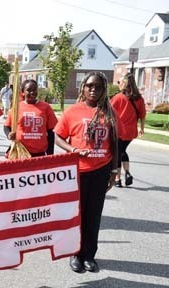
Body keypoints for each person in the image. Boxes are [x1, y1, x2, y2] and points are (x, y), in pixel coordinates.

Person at [54, 71, 119, 273]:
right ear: (83, 88)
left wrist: (114, 170)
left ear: (103, 90)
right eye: (89, 85)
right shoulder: (72, 112)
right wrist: (72, 150)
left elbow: (116, 143)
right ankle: (76, 254)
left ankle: (89, 255)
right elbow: (57, 137)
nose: (93, 89)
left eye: (98, 86)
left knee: (94, 215)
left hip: (101, 171)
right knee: (78, 215)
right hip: (78, 172)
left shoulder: (109, 112)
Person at [4, 79, 57, 157]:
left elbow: (51, 131)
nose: (32, 92)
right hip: (21, 151)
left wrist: (50, 153)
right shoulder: (16, 107)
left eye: (34, 90)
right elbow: (6, 126)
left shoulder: (46, 107)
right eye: (28, 90)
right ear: (23, 92)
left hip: (40, 152)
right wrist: (9, 134)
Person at [110, 73, 146, 187]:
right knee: (122, 151)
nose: (119, 84)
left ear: (124, 84)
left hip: (120, 131)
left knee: (118, 153)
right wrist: (142, 128)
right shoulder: (139, 98)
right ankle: (127, 173)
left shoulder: (118, 97)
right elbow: (142, 115)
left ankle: (117, 179)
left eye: (120, 82)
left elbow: (109, 111)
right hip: (131, 132)